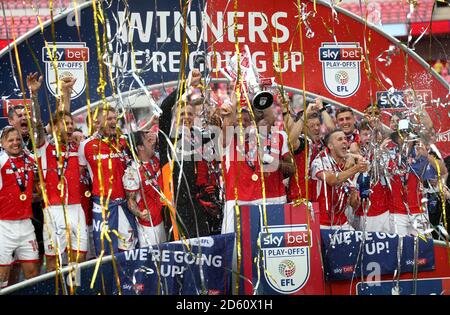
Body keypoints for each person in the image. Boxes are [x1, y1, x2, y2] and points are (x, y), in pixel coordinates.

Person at [29, 72, 88, 271]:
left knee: (79, 259)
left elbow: (63, 117)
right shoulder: (44, 147)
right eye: (67, 124)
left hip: (76, 209)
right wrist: (34, 96)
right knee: (54, 261)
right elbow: (38, 125)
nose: (70, 127)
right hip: (54, 210)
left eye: (72, 124)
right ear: (54, 128)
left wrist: (67, 94)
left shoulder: (76, 148)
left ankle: (73, 289)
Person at [219, 90, 294, 234]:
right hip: (238, 203)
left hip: (273, 201)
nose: (243, 124)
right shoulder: (228, 141)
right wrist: (232, 107)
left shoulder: (275, 137)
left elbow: (292, 169)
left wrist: (272, 161)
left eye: (247, 121)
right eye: (239, 121)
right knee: (238, 251)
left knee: (273, 249)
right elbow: (227, 124)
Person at [158, 69, 220, 239]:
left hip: (197, 205)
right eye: (182, 114)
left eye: (190, 114)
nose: (186, 117)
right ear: (174, 118)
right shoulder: (166, 138)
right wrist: (187, 84)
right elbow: (164, 107)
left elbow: (220, 131)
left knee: (203, 249)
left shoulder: (198, 137)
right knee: (180, 253)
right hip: (175, 206)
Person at [78, 106, 138, 256]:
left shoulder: (123, 141)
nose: (113, 122)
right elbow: (80, 173)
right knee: (105, 254)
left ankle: (130, 280)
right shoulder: (85, 146)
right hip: (102, 207)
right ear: (98, 123)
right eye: (109, 119)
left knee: (128, 251)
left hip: (123, 204)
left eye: (114, 118)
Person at [0, 127, 40, 288]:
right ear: (2, 143)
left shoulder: (30, 159)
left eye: (18, 139)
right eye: (10, 140)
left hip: (26, 225)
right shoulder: (1, 161)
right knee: (2, 277)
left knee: (32, 274)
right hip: (4, 226)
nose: (15, 143)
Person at [311, 129, 368, 228]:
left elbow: (353, 204)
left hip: (342, 222)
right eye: (340, 139)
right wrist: (357, 168)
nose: (344, 141)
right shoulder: (319, 161)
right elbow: (332, 180)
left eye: (345, 139)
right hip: (321, 224)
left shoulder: (348, 163)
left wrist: (356, 197)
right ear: (330, 146)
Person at [123, 130, 166, 247]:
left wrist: (156, 139)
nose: (152, 143)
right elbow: (130, 200)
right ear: (140, 147)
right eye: (148, 141)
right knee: (153, 261)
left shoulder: (157, 158)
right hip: (148, 226)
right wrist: (140, 213)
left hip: (164, 220)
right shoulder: (132, 171)